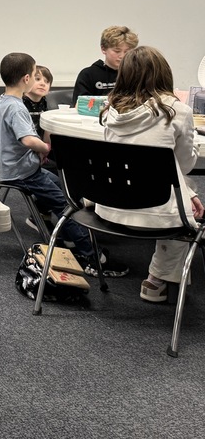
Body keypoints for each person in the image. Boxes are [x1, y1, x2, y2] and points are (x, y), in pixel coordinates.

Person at [0, 52, 129, 277]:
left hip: (15, 168)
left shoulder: (0, 102)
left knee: (65, 188)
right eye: (35, 74)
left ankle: (67, 238)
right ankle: (92, 258)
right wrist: (45, 148)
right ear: (26, 79)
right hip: (24, 173)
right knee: (68, 206)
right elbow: (28, 140)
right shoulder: (17, 107)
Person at [98, 46, 201, 303]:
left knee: (185, 192)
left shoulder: (110, 111)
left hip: (110, 207)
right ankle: (156, 279)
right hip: (154, 212)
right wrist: (189, 193)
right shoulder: (178, 111)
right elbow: (184, 165)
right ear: (164, 74)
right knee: (188, 212)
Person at [71, 25, 139, 105]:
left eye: (127, 51)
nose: (122, 56)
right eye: (117, 51)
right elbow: (80, 105)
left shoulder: (136, 74)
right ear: (103, 49)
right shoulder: (88, 74)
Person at [23, 64, 53, 138]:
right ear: (27, 80)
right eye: (37, 79)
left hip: (40, 142)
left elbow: (46, 130)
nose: (43, 84)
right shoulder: (19, 103)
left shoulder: (44, 102)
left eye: (46, 81)